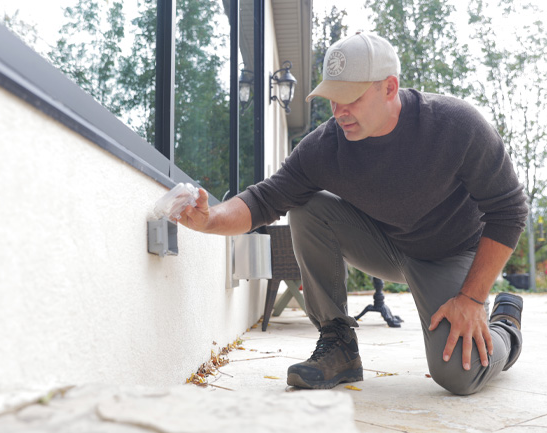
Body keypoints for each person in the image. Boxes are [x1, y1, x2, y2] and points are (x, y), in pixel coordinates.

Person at [178, 32, 527, 395]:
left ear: (390, 88)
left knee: (459, 373)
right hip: (388, 246)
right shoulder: (325, 147)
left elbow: (510, 210)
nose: (340, 112)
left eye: (351, 99)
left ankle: (505, 323)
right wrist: (210, 219)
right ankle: (338, 343)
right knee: (306, 206)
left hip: (453, 253)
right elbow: (265, 198)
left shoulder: (455, 126)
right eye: (332, 99)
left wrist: (471, 299)